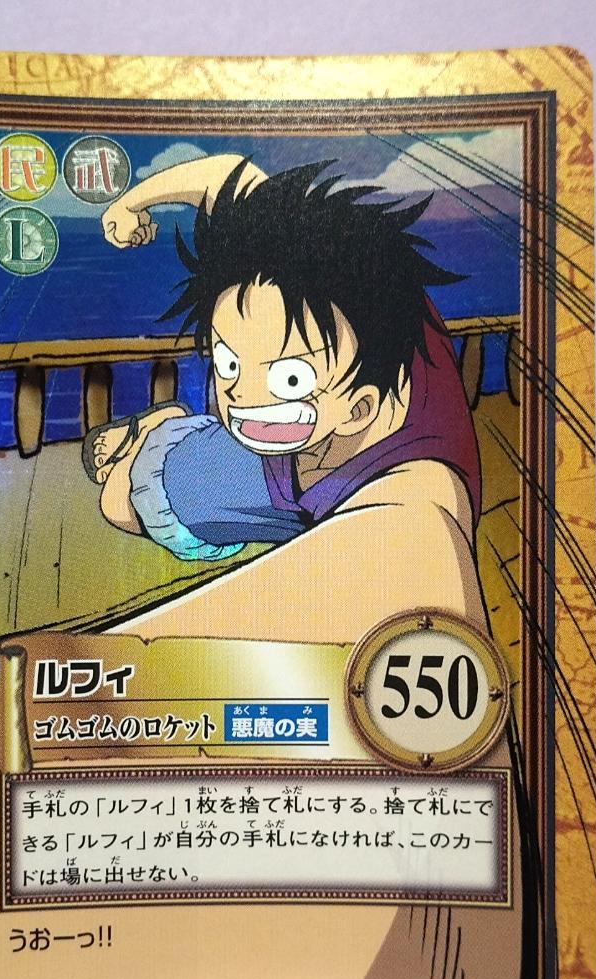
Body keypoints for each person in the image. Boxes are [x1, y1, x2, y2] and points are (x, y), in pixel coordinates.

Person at [85, 154, 487, 631]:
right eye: (228, 364)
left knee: (123, 498)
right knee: (125, 500)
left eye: (289, 380)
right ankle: (163, 430)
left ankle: (162, 428)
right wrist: (131, 203)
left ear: (360, 409)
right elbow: (228, 178)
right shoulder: (306, 258)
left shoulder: (419, 488)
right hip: (278, 463)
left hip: (321, 484)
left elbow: (440, 597)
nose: (241, 395)